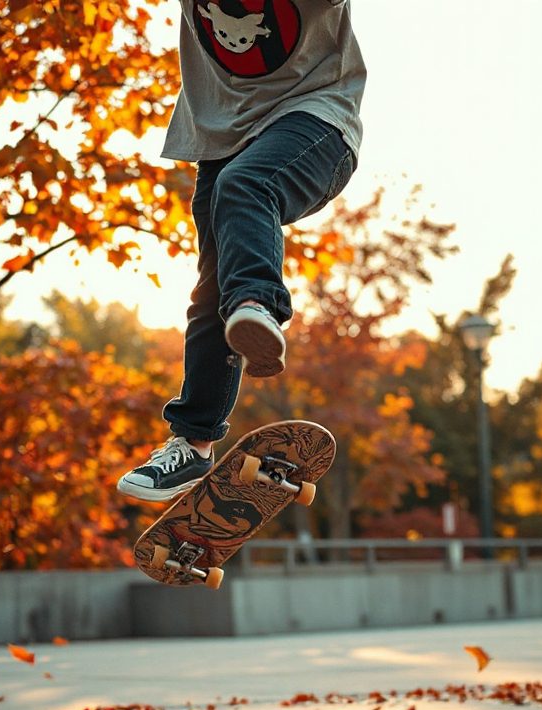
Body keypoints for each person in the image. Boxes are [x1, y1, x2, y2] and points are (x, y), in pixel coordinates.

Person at [117, 0, 366, 502]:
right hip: (220, 139)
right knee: (211, 285)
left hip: (316, 119)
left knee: (245, 185)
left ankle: (257, 304)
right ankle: (194, 442)